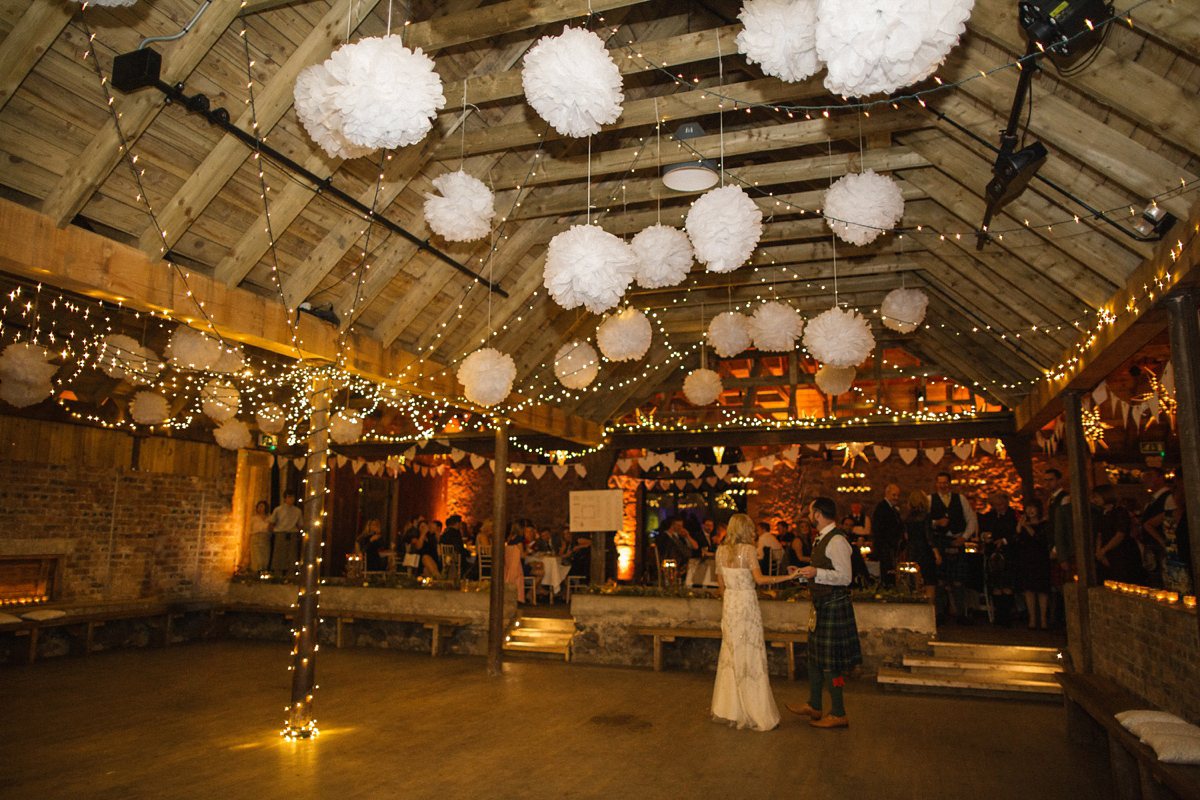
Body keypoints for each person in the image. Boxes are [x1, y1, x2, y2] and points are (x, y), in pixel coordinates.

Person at [711, 513, 800, 731]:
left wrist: (729, 604)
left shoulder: (720, 551)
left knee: (731, 655)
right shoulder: (748, 550)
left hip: (730, 605)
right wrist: (788, 577)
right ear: (745, 529)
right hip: (746, 604)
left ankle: (731, 710)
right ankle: (756, 712)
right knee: (751, 654)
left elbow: (721, 587)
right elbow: (760, 580)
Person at [787, 497, 861, 729]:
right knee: (815, 659)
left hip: (833, 604)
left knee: (832, 664)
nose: (809, 515)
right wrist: (800, 573)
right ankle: (815, 704)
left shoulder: (837, 540)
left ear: (818, 514)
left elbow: (845, 577)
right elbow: (823, 571)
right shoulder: (821, 537)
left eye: (811, 511)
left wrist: (815, 571)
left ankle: (838, 712)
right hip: (822, 605)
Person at [930, 472, 978, 624]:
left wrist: (964, 537)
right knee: (940, 581)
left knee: (958, 580)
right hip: (940, 542)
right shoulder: (930, 499)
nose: (943, 485)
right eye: (940, 483)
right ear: (936, 484)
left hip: (957, 540)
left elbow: (971, 520)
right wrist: (936, 522)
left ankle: (960, 614)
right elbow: (925, 522)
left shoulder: (960, 499)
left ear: (950, 484)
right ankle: (940, 615)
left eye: (945, 483)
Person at [1012, 500, 1052, 629]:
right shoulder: (1023, 524)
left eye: (1032, 508)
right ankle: (1032, 619)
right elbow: (1016, 539)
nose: (1030, 511)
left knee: (1042, 590)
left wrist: (1026, 527)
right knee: (1028, 590)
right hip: (1026, 558)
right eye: (1028, 508)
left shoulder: (1044, 524)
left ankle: (1044, 620)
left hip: (1040, 558)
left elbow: (1039, 538)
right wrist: (1019, 526)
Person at [979, 492, 1018, 626]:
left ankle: (1007, 616)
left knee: (1006, 585)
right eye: (995, 505)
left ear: (1006, 502)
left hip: (1008, 553)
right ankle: (998, 615)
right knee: (995, 585)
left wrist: (1004, 541)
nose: (998, 507)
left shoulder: (1013, 515)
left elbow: (1016, 534)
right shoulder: (989, 516)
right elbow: (982, 532)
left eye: (1000, 504)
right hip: (992, 555)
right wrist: (984, 537)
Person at [1093, 484, 1139, 584]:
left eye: (1097, 496)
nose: (1095, 500)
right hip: (1105, 551)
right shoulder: (1102, 513)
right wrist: (1099, 551)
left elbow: (1120, 535)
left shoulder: (1120, 512)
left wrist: (1104, 550)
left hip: (1119, 552)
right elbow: (1099, 534)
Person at [904, 491, 939, 604]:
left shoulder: (908, 518)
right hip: (925, 552)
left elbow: (906, 537)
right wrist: (937, 554)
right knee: (929, 583)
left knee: (914, 583)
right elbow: (928, 536)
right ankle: (930, 611)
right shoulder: (925, 517)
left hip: (912, 552)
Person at [870, 484, 905, 587]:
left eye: (898, 495)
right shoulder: (882, 508)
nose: (896, 498)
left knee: (892, 573)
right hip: (885, 547)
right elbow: (878, 529)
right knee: (887, 573)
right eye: (894, 495)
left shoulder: (893, 509)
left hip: (892, 548)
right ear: (887, 494)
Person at [267, 491, 302, 575]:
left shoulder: (297, 511)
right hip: (280, 533)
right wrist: (275, 532)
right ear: (285, 498)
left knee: (291, 555)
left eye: (293, 497)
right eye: (289, 497)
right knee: (279, 555)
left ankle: (291, 573)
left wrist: (296, 531)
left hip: (292, 533)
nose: (291, 499)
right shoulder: (278, 509)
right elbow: (271, 523)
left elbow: (300, 524)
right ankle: (277, 573)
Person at [248, 500, 271, 573]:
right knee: (256, 554)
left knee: (265, 554)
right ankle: (257, 570)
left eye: (261, 506)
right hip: (256, 536)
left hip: (265, 537)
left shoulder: (269, 517)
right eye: (258, 507)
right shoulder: (254, 518)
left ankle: (264, 569)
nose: (260, 508)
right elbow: (250, 529)